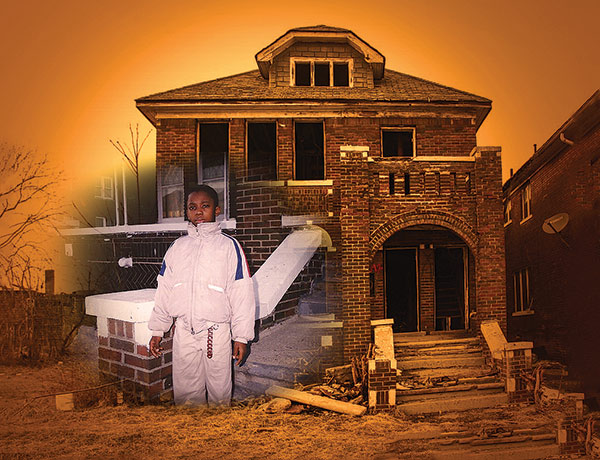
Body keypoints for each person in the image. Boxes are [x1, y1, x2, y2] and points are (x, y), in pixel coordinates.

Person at [148, 184, 255, 405]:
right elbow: (165, 290)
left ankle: (217, 432)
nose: (198, 212)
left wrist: (241, 337)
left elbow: (241, 293)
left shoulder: (228, 247)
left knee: (219, 391)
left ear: (216, 209)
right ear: (186, 212)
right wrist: (158, 329)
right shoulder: (177, 247)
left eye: (205, 206)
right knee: (186, 391)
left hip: (215, 332)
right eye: (192, 207)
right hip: (184, 331)